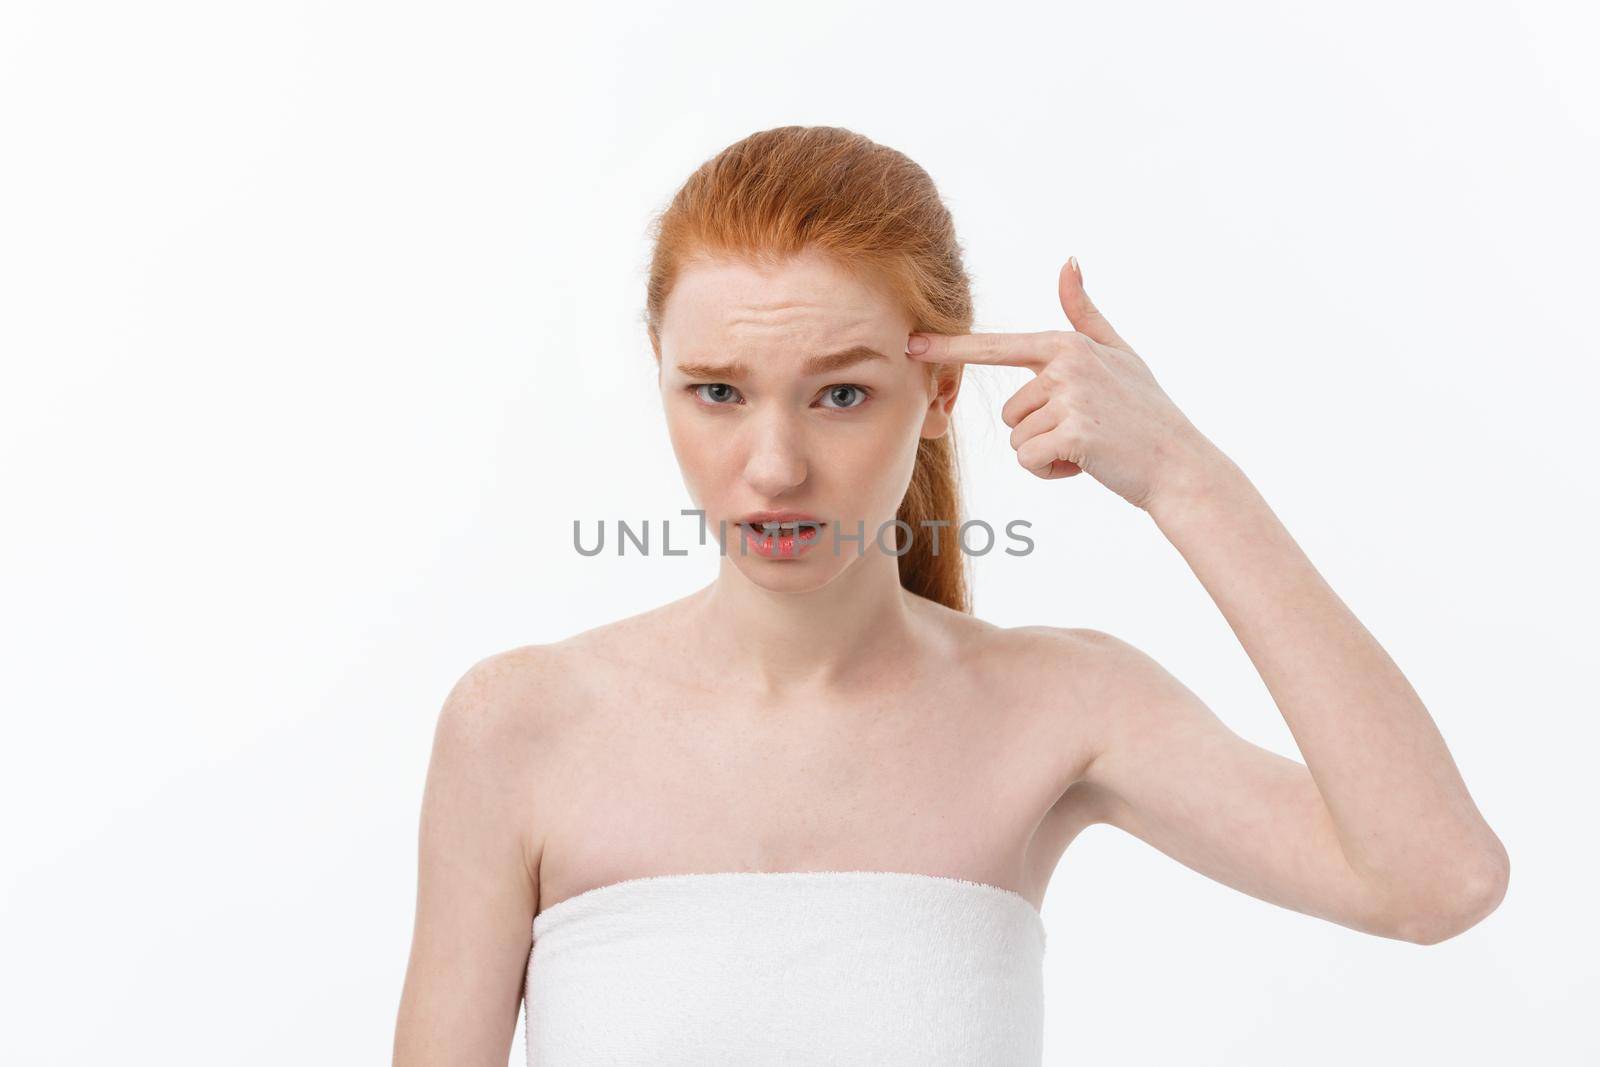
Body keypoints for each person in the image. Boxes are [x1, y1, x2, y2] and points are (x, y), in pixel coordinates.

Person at [392, 125, 1509, 1066]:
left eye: (839, 392)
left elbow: (1436, 878)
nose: (773, 465)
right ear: (661, 375)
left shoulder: (1062, 705)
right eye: (718, 391)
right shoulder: (520, 728)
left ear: (939, 389)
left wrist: (1181, 473)